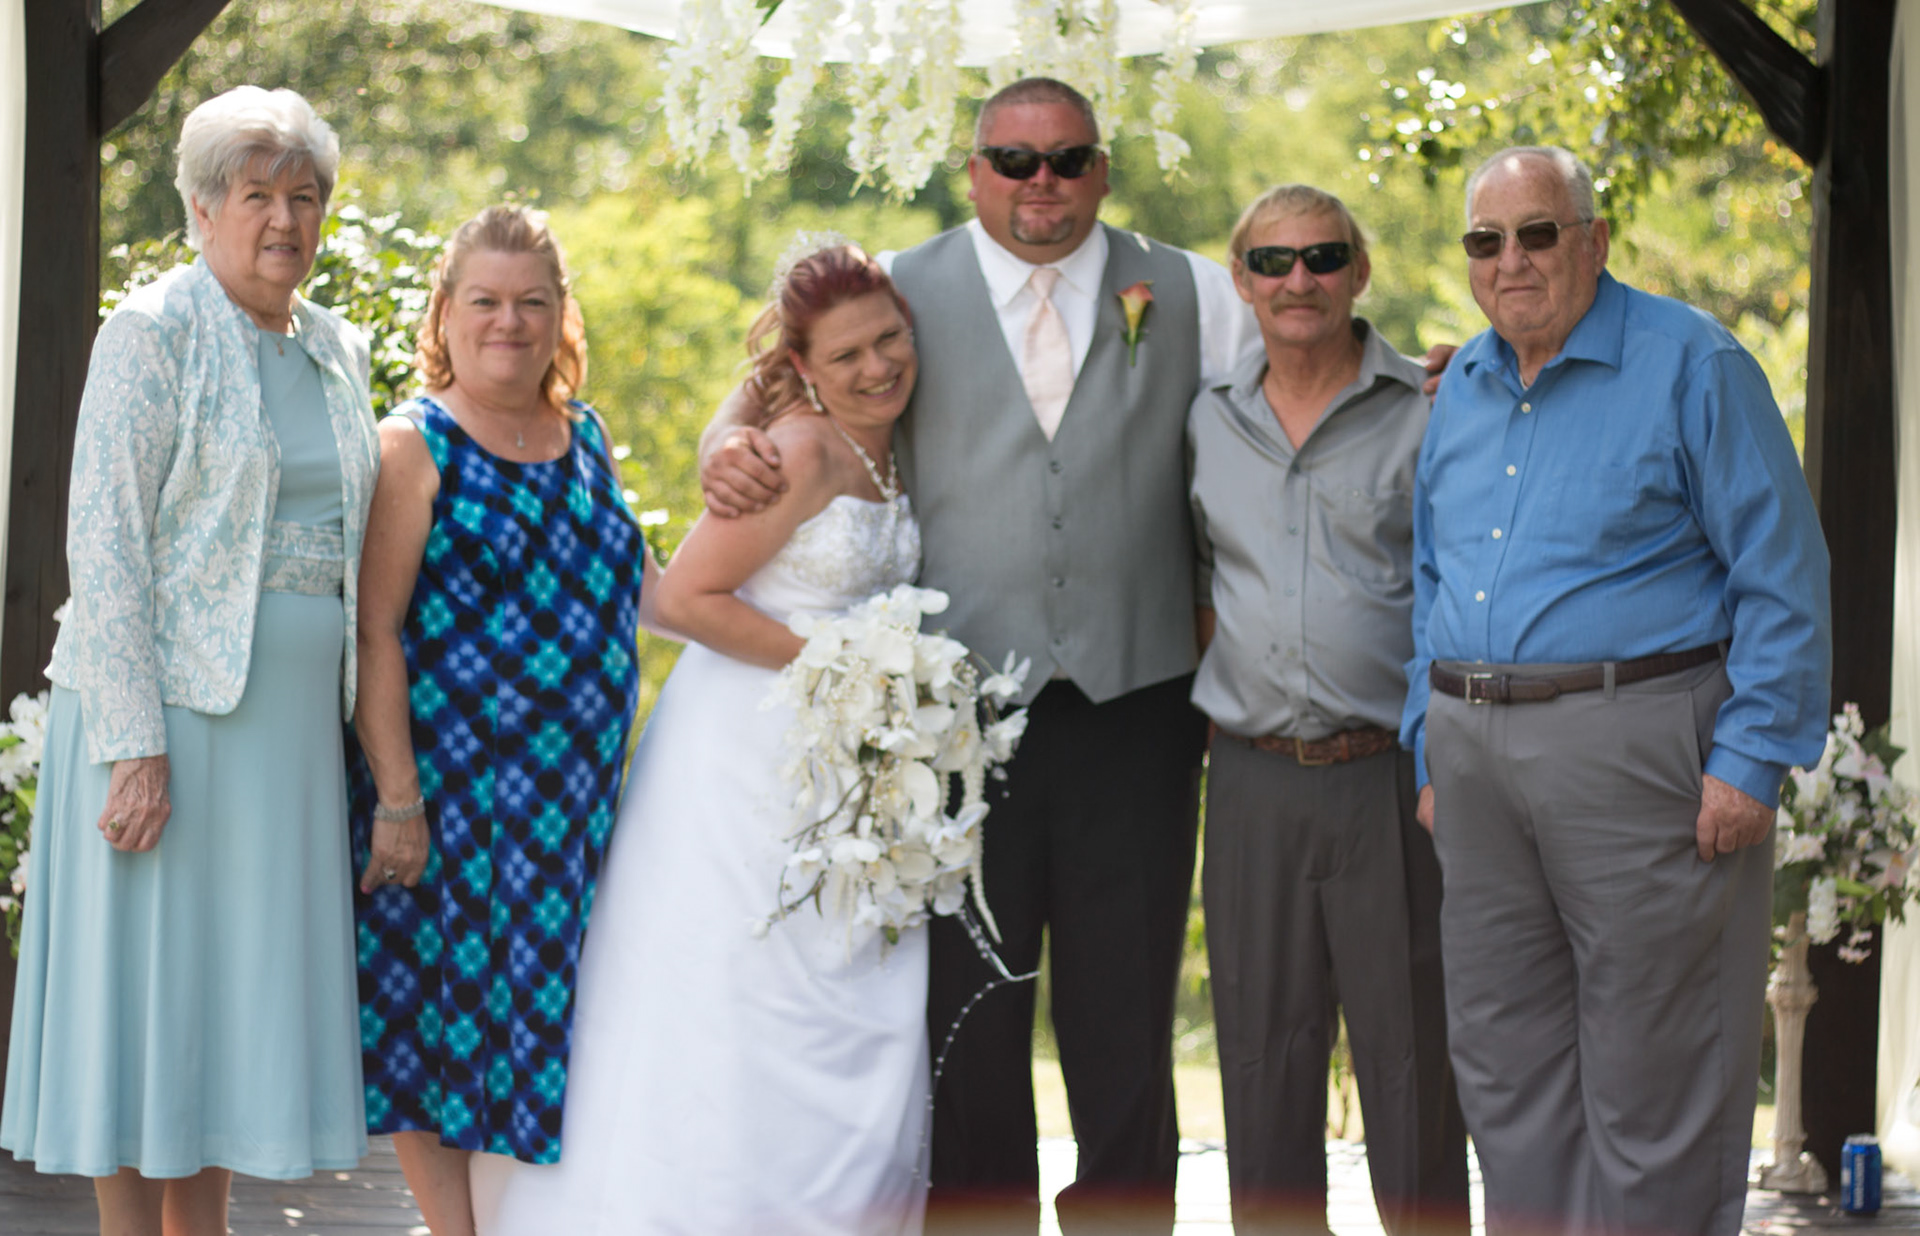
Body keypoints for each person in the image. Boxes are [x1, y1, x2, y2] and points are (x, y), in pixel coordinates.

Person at [702, 77, 1264, 1234]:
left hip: (1140, 708)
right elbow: (776, 380)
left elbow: (1294, 395)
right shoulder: (900, 286)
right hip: (954, 723)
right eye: (1014, 160)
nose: (1041, 182)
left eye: (1067, 159)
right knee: (970, 1013)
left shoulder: (1195, 292)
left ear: (1102, 169)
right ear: (974, 173)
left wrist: (1429, 376)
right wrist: (723, 442)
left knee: (1125, 1010)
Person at [1400, 146, 1831, 1235]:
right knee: (1505, 1073)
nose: (1511, 260)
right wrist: (1427, 743)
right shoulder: (1462, 387)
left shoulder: (1694, 363)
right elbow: (1430, 577)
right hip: (1473, 762)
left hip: (1639, 752)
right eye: (1486, 240)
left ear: (1593, 241)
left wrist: (1751, 760)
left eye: (1537, 233)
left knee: (1657, 1078)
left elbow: (1783, 572)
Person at [469, 240, 928, 1235]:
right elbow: (678, 599)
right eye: (846, 355)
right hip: (746, 763)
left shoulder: (892, 441)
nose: (877, 367)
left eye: (889, 339)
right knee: (735, 996)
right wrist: (843, 668)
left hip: (844, 772)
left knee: (849, 988)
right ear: (803, 368)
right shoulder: (797, 452)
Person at [0, 86, 378, 1235]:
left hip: (282, 743)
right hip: (162, 722)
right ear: (203, 209)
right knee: (141, 996)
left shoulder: (337, 348)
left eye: (304, 197)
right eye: (257, 195)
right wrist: (135, 746)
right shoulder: (151, 332)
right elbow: (106, 546)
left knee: (215, 1003)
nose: (285, 220)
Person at [349, 205, 654, 1236]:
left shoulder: (588, 435)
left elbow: (645, 591)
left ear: (562, 312)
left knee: (540, 1026)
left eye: (531, 301)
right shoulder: (413, 444)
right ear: (446, 309)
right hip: (456, 806)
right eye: (484, 300)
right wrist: (398, 801)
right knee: (440, 1033)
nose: (509, 322)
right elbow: (375, 632)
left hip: (572, 812)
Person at [1189, 185, 1468, 1235]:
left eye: (1321, 257)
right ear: (1241, 280)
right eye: (1272, 261)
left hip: (1390, 778)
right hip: (1252, 781)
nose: (1297, 280)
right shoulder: (1206, 420)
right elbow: (1198, 582)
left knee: (1413, 1062)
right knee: (1261, 1060)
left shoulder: (1433, 408)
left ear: (1359, 270)